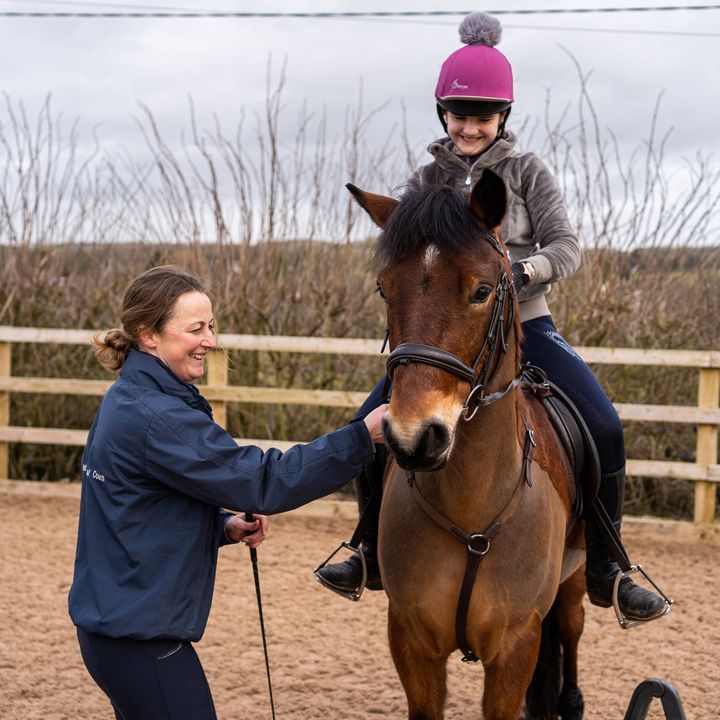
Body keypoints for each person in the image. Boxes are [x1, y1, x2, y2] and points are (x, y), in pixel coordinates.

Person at [316, 11, 666, 623]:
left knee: (605, 426)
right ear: (443, 116)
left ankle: (610, 564)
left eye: (482, 115)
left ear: (503, 116)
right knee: (369, 427)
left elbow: (566, 247)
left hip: (526, 324)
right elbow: (408, 252)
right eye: (459, 114)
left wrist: (521, 274)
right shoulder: (427, 179)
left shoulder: (528, 172)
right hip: (445, 335)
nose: (470, 125)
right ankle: (366, 546)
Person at [68, 265, 387, 720]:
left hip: (115, 631)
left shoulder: (128, 398)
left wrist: (223, 525)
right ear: (148, 335)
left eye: (211, 326)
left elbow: (137, 507)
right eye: (195, 328)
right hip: (141, 642)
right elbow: (264, 481)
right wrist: (361, 438)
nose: (210, 340)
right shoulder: (158, 417)